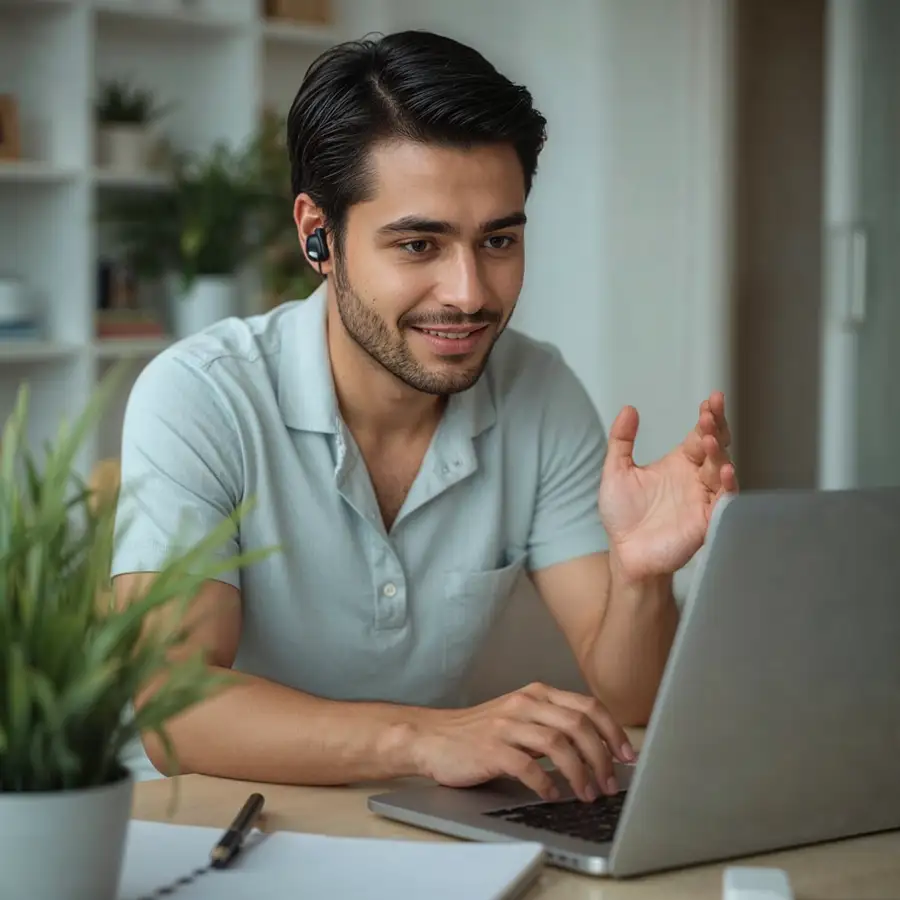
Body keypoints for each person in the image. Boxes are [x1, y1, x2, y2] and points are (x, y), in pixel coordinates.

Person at [112, 29, 736, 805]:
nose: (470, 292)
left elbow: (636, 701)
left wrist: (642, 579)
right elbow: (173, 713)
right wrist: (424, 735)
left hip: (404, 818)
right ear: (319, 235)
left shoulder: (537, 390)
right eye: (418, 245)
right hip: (198, 823)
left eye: (498, 240)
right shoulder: (202, 395)